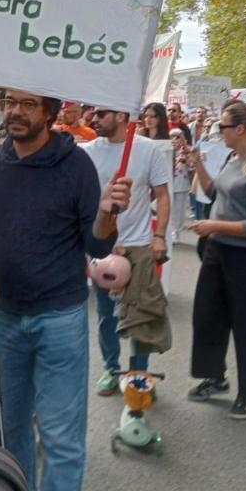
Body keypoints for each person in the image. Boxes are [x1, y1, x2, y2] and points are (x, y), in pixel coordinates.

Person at [0, 89, 131, 491]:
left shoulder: (76, 165)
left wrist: (108, 215)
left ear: (50, 113)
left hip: (60, 319)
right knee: (10, 434)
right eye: (9, 102)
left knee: (61, 440)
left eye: (27, 105)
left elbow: (97, 245)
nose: (14, 112)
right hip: (4, 318)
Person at [186, 101, 246, 419]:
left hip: (245, 258)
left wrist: (213, 225)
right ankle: (216, 377)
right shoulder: (232, 158)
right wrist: (197, 165)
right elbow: (216, 193)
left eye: (223, 127)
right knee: (208, 316)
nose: (219, 132)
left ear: (240, 129)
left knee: (245, 325)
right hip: (217, 252)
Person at [83, 108, 171, 395]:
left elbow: (162, 195)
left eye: (100, 113)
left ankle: (138, 377)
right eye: (91, 113)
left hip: (139, 247)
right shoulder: (85, 152)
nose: (93, 118)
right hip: (104, 248)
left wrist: (159, 236)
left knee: (141, 316)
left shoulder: (148, 150)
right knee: (107, 316)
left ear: (121, 115)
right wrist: (102, 237)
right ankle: (111, 368)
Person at [169, 128, 192, 242]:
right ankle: (170, 231)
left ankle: (176, 231)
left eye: (178, 137)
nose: (175, 139)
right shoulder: (167, 150)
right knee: (170, 209)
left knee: (180, 209)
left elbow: (192, 165)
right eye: (172, 136)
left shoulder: (187, 151)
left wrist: (186, 159)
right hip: (169, 183)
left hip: (182, 184)